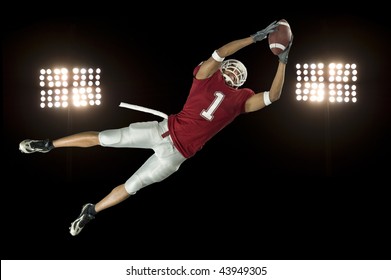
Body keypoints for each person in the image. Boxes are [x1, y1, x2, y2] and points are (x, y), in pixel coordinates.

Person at [19, 20, 293, 236]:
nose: (232, 74)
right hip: (162, 130)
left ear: (240, 81)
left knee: (132, 186)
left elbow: (273, 96)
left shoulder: (240, 100)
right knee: (105, 138)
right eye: (230, 69)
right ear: (224, 69)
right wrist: (253, 38)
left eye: (237, 75)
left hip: (175, 157)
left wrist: (282, 61)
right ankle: (49, 144)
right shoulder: (206, 76)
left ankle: (92, 210)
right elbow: (219, 53)